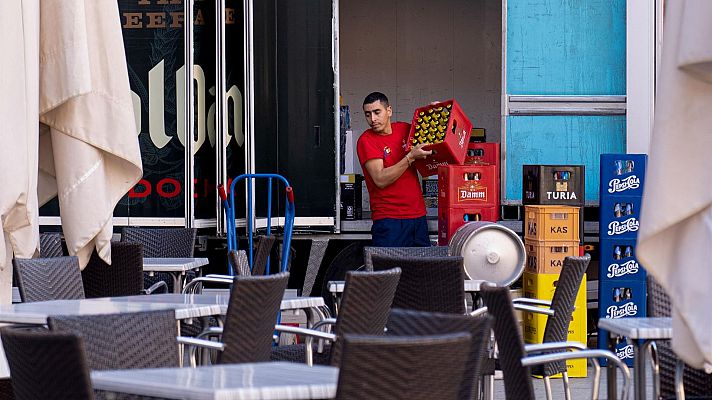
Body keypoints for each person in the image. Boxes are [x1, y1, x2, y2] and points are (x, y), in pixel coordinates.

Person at [356, 92, 432, 247]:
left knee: (422, 270)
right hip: (389, 220)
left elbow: (431, 138)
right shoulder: (366, 141)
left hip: (418, 216)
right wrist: (410, 157)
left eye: (377, 112)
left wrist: (435, 112)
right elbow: (380, 179)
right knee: (388, 271)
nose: (373, 119)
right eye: (368, 114)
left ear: (389, 111)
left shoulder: (404, 129)